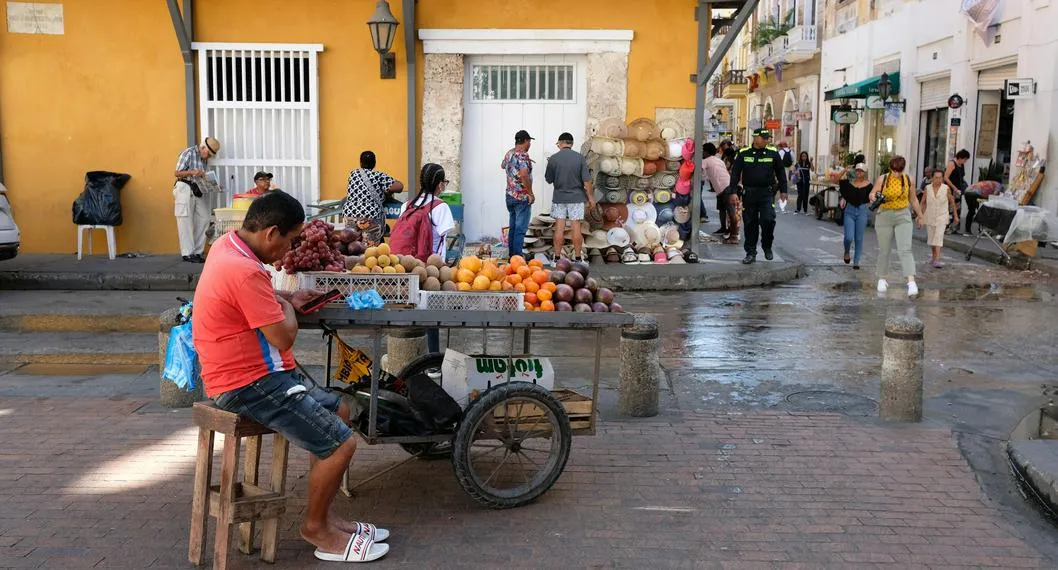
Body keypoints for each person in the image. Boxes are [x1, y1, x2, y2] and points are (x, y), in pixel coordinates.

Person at [193, 190, 390, 563]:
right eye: (289, 240)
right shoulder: (245, 270)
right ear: (270, 232)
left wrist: (283, 299)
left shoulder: (228, 246)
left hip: (259, 376)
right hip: (247, 383)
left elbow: (259, 301)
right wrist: (286, 306)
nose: (289, 250)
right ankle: (315, 529)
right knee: (342, 444)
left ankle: (326, 517)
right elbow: (283, 335)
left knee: (340, 412)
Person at [399, 164, 455, 353]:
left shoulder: (406, 205)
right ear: (440, 185)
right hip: (429, 268)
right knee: (432, 317)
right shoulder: (441, 207)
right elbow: (443, 240)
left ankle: (408, 354)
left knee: (409, 313)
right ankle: (432, 359)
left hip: (405, 267)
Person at [728, 129, 789, 264]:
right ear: (756, 138)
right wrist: (732, 192)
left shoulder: (772, 153)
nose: (767, 140)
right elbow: (735, 173)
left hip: (766, 193)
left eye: (767, 138)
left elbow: (780, 172)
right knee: (750, 224)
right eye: (764, 138)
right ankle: (750, 253)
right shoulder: (744, 153)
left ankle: (767, 246)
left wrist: (784, 190)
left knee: (768, 220)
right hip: (749, 193)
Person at [869, 155, 925, 297]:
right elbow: (872, 193)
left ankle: (911, 282)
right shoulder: (883, 179)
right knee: (884, 249)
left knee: (905, 249)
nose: (897, 173)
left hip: (903, 215)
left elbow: (913, 199)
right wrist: (873, 197)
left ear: (903, 169)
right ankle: (882, 278)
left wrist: (920, 216)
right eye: (894, 170)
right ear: (890, 168)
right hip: (884, 215)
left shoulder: (908, 180)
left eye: (899, 170)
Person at [544, 132, 594, 264]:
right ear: (571, 144)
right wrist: (591, 198)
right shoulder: (579, 158)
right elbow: (587, 181)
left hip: (559, 198)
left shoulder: (553, 159)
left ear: (560, 143)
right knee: (576, 228)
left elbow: (548, 179)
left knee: (559, 228)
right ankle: (578, 258)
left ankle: (556, 259)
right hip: (576, 198)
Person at [173, 136, 220, 263]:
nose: (208, 157)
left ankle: (197, 252)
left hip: (197, 189)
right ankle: (187, 253)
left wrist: (215, 185)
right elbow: (177, 173)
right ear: (203, 147)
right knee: (185, 221)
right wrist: (193, 172)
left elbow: (202, 176)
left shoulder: (203, 159)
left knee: (205, 218)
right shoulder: (188, 153)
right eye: (208, 154)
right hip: (184, 186)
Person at [343, 150, 404, 246]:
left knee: (352, 247)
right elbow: (399, 187)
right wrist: (387, 190)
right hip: (370, 216)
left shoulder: (353, 174)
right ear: (374, 163)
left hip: (350, 215)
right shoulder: (378, 176)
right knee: (369, 249)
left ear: (360, 163)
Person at [501, 130, 535, 257]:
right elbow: (524, 175)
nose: (530, 144)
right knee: (520, 229)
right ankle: (517, 257)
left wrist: (515, 165)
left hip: (509, 195)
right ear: (525, 141)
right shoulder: (522, 155)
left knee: (513, 227)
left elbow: (503, 165)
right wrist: (530, 193)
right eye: (529, 141)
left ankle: (511, 255)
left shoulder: (510, 153)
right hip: (521, 197)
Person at [920, 169, 958, 268]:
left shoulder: (946, 188)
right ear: (932, 178)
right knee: (932, 239)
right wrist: (920, 216)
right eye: (936, 178)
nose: (938, 180)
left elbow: (952, 202)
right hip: (930, 216)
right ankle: (933, 257)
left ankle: (937, 259)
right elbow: (923, 202)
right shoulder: (927, 188)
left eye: (940, 178)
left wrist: (955, 216)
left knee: (938, 237)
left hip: (942, 216)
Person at [838, 163, 872, 269]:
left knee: (859, 238)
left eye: (861, 171)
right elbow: (836, 180)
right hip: (849, 211)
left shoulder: (869, 185)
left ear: (865, 173)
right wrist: (844, 170)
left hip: (862, 211)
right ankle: (847, 251)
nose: (859, 173)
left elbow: (872, 196)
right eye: (857, 170)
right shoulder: (849, 183)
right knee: (848, 237)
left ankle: (856, 261)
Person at [702, 143, 737, 243]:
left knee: (731, 213)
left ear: (707, 152)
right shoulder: (718, 160)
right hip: (724, 188)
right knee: (722, 209)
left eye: (703, 151)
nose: (702, 153)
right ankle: (724, 228)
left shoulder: (706, 161)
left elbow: (696, 168)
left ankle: (733, 235)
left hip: (725, 189)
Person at [943, 149, 970, 234]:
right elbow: (946, 177)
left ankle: (954, 228)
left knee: (957, 208)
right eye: (965, 159)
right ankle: (947, 228)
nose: (965, 161)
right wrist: (954, 187)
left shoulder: (961, 165)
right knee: (951, 208)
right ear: (960, 157)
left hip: (958, 190)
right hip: (951, 189)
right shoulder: (952, 164)